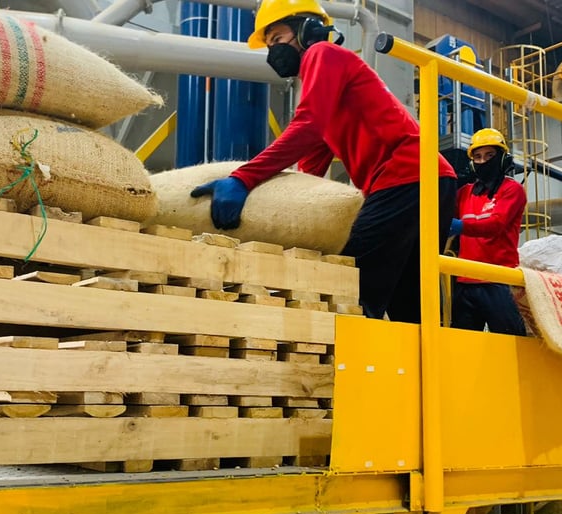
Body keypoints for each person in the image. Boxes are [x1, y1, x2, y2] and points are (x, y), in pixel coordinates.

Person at [190, 0, 457, 323]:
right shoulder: (323, 84)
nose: (274, 51)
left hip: (406, 175)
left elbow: (308, 125)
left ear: (307, 29)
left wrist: (243, 178)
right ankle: (427, 356)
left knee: (349, 287)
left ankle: (352, 356)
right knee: (409, 301)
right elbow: (310, 170)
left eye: (277, 39)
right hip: (427, 177)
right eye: (269, 45)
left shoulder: (323, 53)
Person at [449, 127, 527, 335]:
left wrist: (460, 226)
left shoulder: (512, 190)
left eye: (489, 155)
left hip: (499, 279)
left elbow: (496, 225)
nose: (483, 161)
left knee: (510, 342)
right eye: (478, 157)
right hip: (465, 280)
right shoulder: (464, 193)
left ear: (501, 159)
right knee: (462, 343)